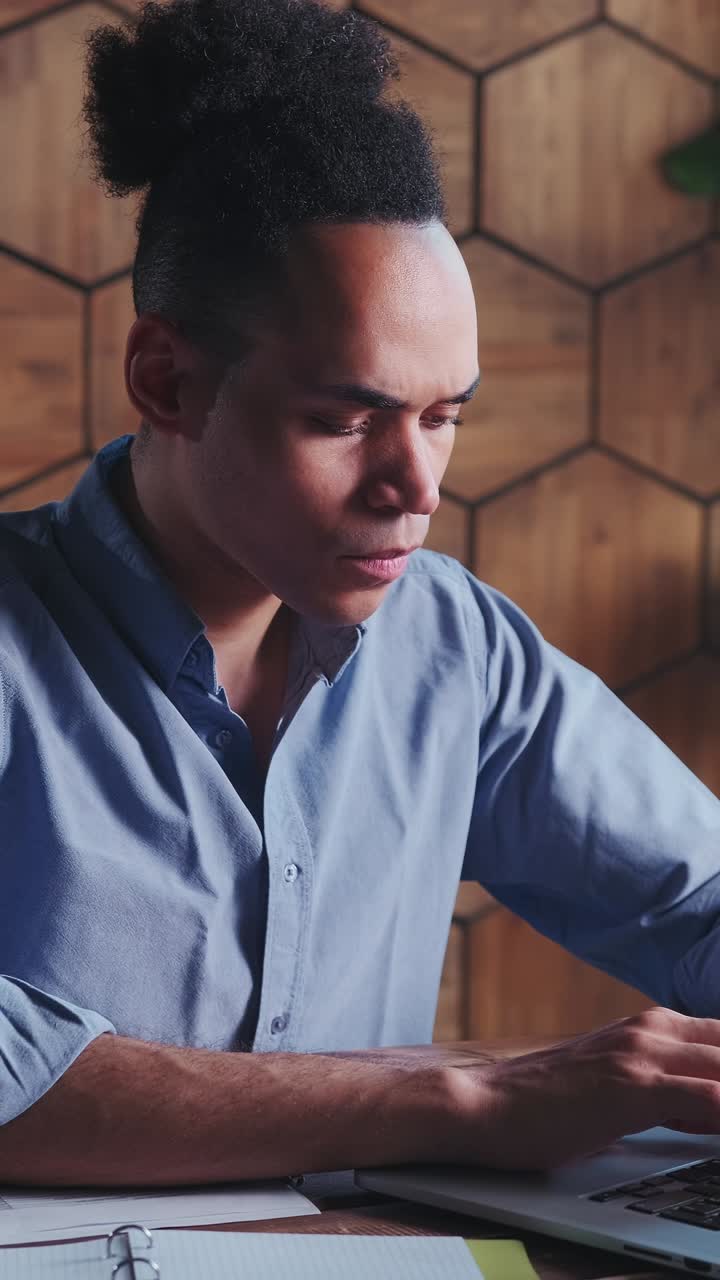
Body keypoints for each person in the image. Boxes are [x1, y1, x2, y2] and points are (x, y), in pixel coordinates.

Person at [1, 0, 719, 1189]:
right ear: (166, 378)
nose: (415, 485)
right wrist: (460, 1096)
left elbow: (695, 895)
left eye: (445, 416)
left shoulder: (458, 649)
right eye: (346, 418)